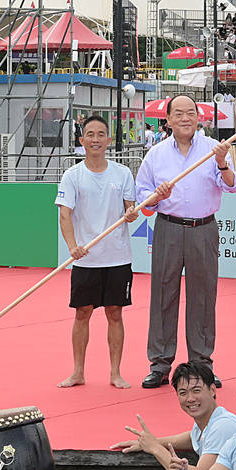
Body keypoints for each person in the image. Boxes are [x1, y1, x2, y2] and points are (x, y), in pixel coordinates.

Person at [135, 93, 236, 389]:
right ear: (167, 120)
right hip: (167, 228)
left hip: (203, 229)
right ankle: (160, 363)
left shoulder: (212, 149)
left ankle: (201, 363)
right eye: (178, 113)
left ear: (198, 117)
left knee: (203, 297)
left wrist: (222, 163)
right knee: (163, 294)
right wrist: (157, 197)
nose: (185, 118)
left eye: (190, 112)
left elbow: (230, 186)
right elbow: (143, 195)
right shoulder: (156, 154)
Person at [55, 114, 138, 389]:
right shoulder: (72, 175)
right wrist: (72, 247)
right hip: (86, 258)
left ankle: (115, 372)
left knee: (115, 312)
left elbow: (131, 209)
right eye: (90, 134)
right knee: (82, 313)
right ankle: (78, 372)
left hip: (117, 256)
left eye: (101, 134)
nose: (95, 139)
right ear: (82, 140)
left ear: (108, 140)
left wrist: (131, 214)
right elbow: (65, 215)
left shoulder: (122, 173)